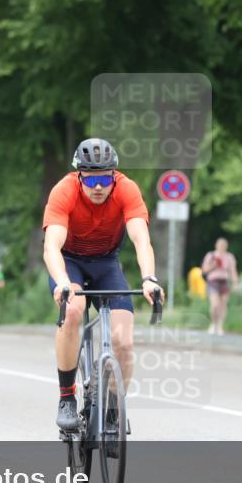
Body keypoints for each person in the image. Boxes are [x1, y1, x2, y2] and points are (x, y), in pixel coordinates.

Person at [43, 137, 163, 431]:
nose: (99, 186)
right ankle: (67, 398)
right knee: (74, 310)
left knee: (124, 341)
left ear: (114, 175)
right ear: (79, 175)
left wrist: (149, 278)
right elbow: (52, 246)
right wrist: (62, 282)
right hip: (69, 261)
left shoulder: (126, 188)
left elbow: (141, 239)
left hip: (107, 262)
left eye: (105, 177)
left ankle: (112, 404)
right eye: (92, 178)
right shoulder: (65, 190)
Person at [201, 238, 238, 335]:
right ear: (216, 245)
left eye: (224, 245)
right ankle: (213, 323)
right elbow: (204, 270)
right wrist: (214, 265)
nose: (222, 247)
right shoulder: (211, 255)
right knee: (215, 304)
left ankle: (220, 325)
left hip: (224, 281)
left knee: (223, 305)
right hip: (213, 281)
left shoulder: (229, 257)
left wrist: (235, 283)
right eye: (220, 245)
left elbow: (233, 271)